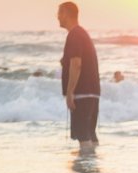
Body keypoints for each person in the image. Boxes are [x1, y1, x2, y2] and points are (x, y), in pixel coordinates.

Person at [58, 1, 101, 151]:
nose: (57, 18)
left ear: (66, 14)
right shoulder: (82, 33)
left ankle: (85, 172)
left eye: (59, 13)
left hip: (82, 93)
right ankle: (93, 168)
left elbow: (76, 64)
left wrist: (70, 92)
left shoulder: (74, 35)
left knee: (83, 137)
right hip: (92, 93)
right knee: (90, 135)